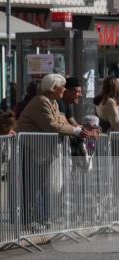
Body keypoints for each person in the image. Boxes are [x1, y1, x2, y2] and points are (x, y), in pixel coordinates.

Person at [16, 74, 97, 228]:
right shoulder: (41, 102)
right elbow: (52, 126)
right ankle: (27, 221)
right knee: (32, 187)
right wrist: (76, 131)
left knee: (39, 186)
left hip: (41, 150)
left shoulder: (51, 102)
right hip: (32, 149)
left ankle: (35, 218)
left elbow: (61, 122)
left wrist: (80, 129)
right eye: (62, 86)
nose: (64, 89)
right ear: (54, 87)